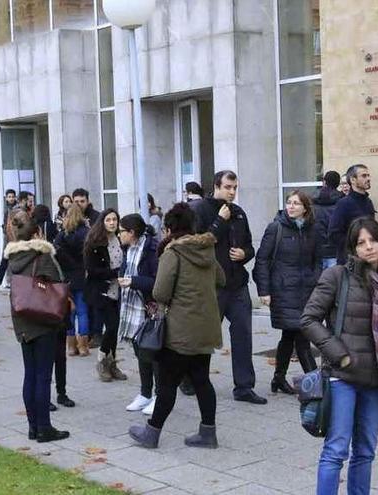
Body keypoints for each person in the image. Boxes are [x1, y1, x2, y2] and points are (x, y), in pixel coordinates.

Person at [302, 217, 378, 492]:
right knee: (336, 450)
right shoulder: (337, 276)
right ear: (353, 248)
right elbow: (309, 319)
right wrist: (339, 355)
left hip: (377, 380)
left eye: (373, 240)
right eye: (361, 242)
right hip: (343, 376)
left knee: (365, 450)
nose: (368, 247)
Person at [128, 202, 224, 449]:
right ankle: (208, 433)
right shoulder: (207, 250)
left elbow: (160, 292)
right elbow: (221, 279)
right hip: (205, 326)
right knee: (202, 380)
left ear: (169, 228)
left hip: (180, 329)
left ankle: (152, 433)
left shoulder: (173, 253)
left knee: (168, 383)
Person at [190, 170, 266, 404]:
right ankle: (190, 378)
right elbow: (196, 245)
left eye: (235, 188)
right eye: (228, 187)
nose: (232, 192)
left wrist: (244, 254)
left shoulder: (239, 213)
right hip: (212, 285)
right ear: (216, 186)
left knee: (243, 333)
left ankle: (244, 386)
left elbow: (250, 247)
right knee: (203, 337)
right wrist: (219, 221)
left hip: (238, 284)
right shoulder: (200, 210)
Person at [5, 210, 70, 442]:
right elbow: (58, 284)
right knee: (43, 376)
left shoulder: (13, 258)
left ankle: (33, 426)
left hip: (23, 318)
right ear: (38, 232)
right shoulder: (43, 256)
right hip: (43, 318)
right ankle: (44, 427)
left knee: (30, 374)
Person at [253, 191, 320, 395]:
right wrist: (264, 291)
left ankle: (278, 379)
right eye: (289, 203)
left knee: (289, 335)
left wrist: (317, 282)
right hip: (283, 290)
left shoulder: (313, 230)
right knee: (302, 336)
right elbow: (262, 260)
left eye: (296, 203)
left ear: (305, 209)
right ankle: (316, 385)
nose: (290, 206)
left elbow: (317, 260)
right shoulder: (276, 228)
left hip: (306, 291)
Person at [117, 214, 159, 415]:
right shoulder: (128, 248)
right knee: (139, 352)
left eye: (121, 231)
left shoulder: (151, 249)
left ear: (132, 233)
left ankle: (159, 394)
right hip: (130, 307)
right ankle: (145, 393)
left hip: (148, 308)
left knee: (152, 353)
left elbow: (157, 281)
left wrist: (133, 281)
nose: (119, 234)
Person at [84, 209, 126, 382]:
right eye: (108, 220)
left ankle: (112, 362)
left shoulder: (120, 239)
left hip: (119, 291)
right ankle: (102, 360)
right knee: (111, 327)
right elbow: (92, 271)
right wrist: (115, 273)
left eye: (114, 219)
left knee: (114, 330)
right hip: (102, 291)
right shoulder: (94, 243)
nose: (112, 223)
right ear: (102, 222)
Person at [54, 204, 90, 356]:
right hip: (82, 275)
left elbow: (56, 253)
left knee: (69, 312)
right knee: (82, 311)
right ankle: (83, 346)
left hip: (66, 276)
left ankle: (70, 346)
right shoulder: (85, 233)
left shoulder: (62, 234)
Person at [328, 164, 375, 264]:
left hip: (368, 260)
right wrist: (356, 245)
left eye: (368, 175)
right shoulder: (343, 204)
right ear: (353, 180)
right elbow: (334, 234)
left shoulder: (368, 202)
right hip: (350, 262)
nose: (368, 178)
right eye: (364, 176)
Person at [312, 171, 345, 269]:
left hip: (316, 251)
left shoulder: (312, 202)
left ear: (324, 182)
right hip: (337, 251)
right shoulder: (343, 202)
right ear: (338, 183)